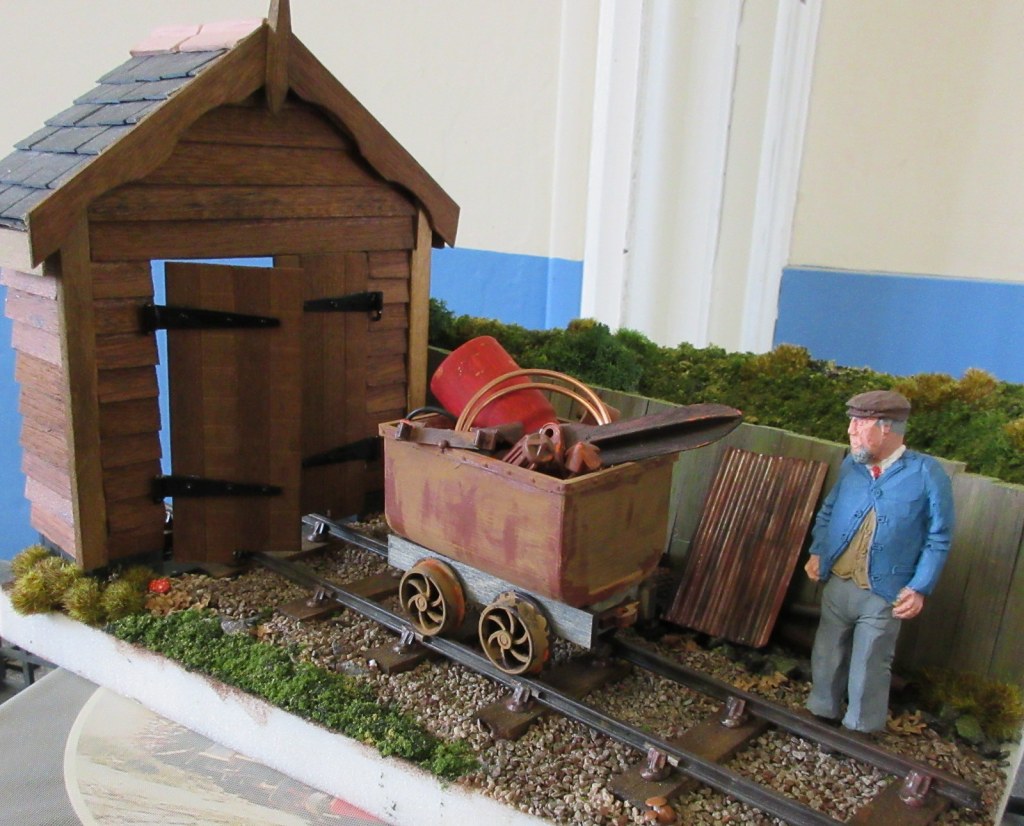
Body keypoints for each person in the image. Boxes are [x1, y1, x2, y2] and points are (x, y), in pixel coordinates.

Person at [804, 390, 954, 734]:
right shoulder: (851, 466)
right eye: (852, 422)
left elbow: (938, 537)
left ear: (886, 427)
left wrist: (919, 587)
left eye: (860, 423)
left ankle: (862, 727)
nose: (851, 431)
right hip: (839, 581)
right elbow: (828, 511)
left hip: (884, 591)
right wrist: (818, 550)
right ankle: (821, 710)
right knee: (827, 650)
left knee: (871, 661)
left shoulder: (927, 473)